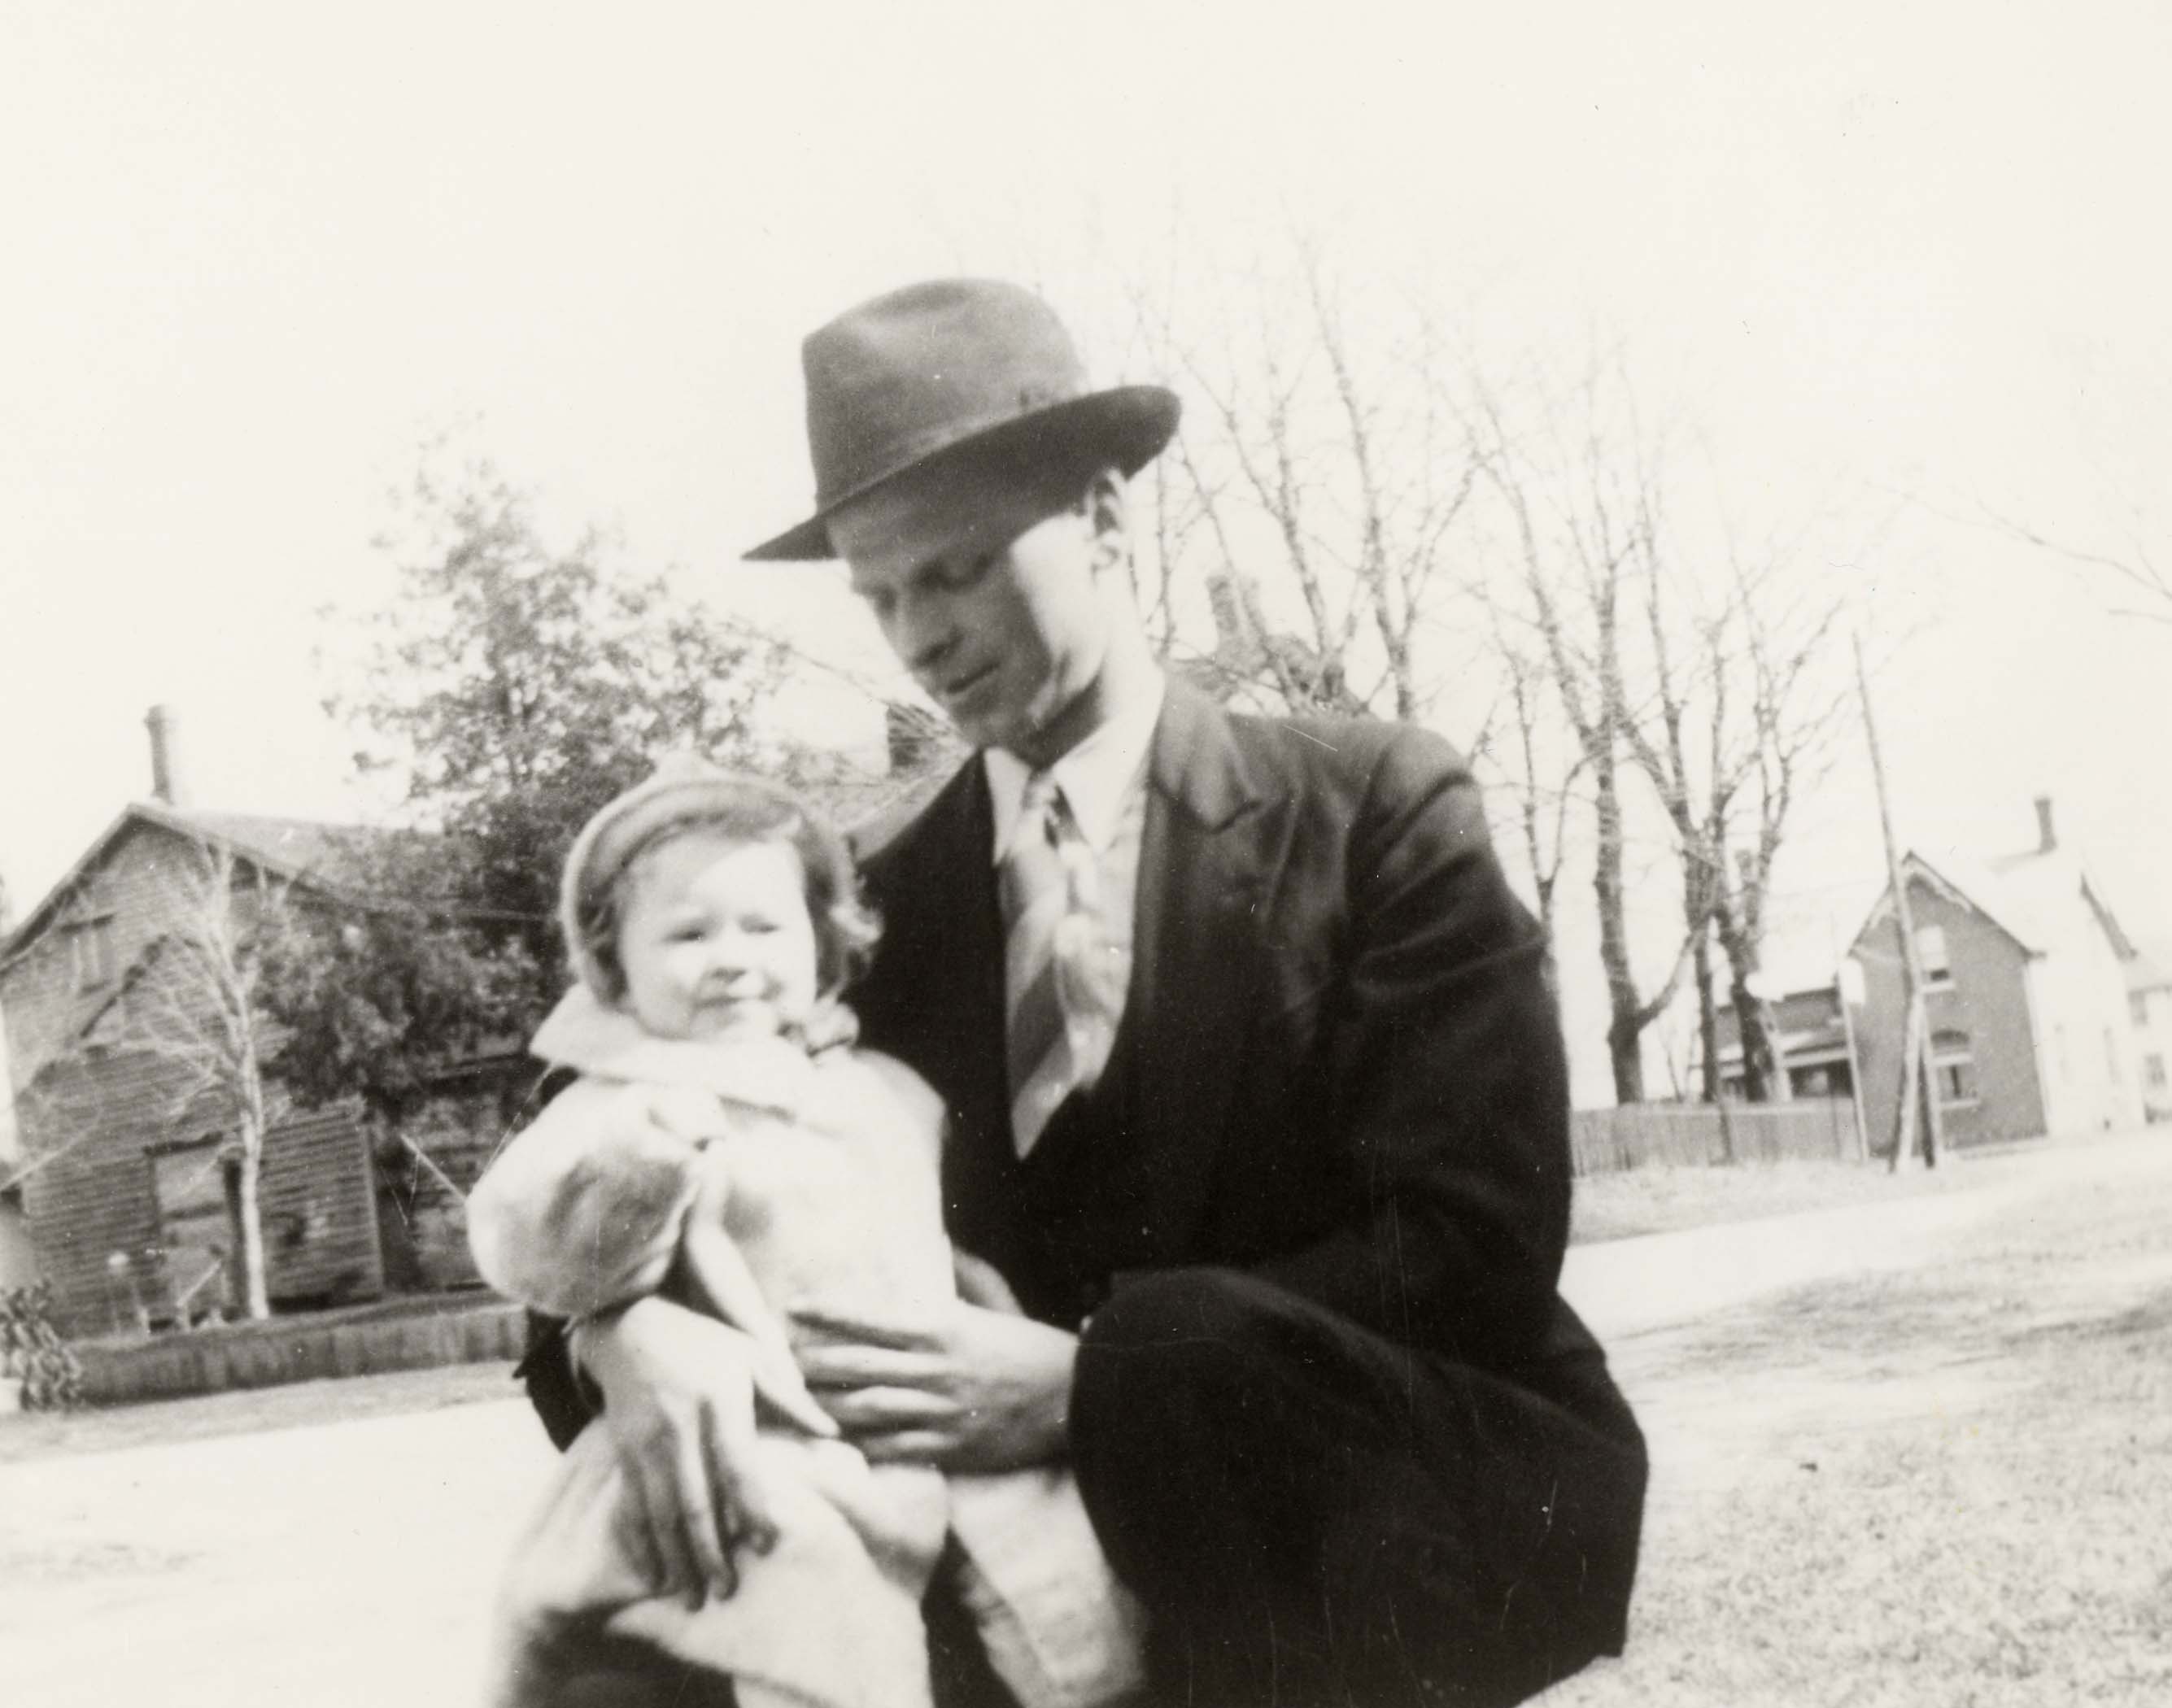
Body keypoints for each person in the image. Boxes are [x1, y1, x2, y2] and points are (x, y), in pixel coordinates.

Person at [522, 277, 1647, 1708]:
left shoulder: (1370, 810)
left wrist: (1092, 1383)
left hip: (1348, 1546)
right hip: (1028, 1592)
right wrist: (622, 1335)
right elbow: (617, 1148)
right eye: (880, 595)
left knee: (1194, 1345)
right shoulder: (853, 913)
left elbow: (1471, 1240)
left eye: (957, 570)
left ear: (1107, 518)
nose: (919, 636)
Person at [471, 763, 1144, 1708]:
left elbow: (928, 1227)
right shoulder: (626, 1103)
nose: (730, 958)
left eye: (763, 928)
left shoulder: (883, 1089)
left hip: (934, 1407)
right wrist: (641, 1169)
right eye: (688, 934)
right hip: (758, 1437)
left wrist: (975, 1292)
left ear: (823, 950)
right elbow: (530, 1246)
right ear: (615, 970)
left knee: (1060, 1560)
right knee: (808, 1607)